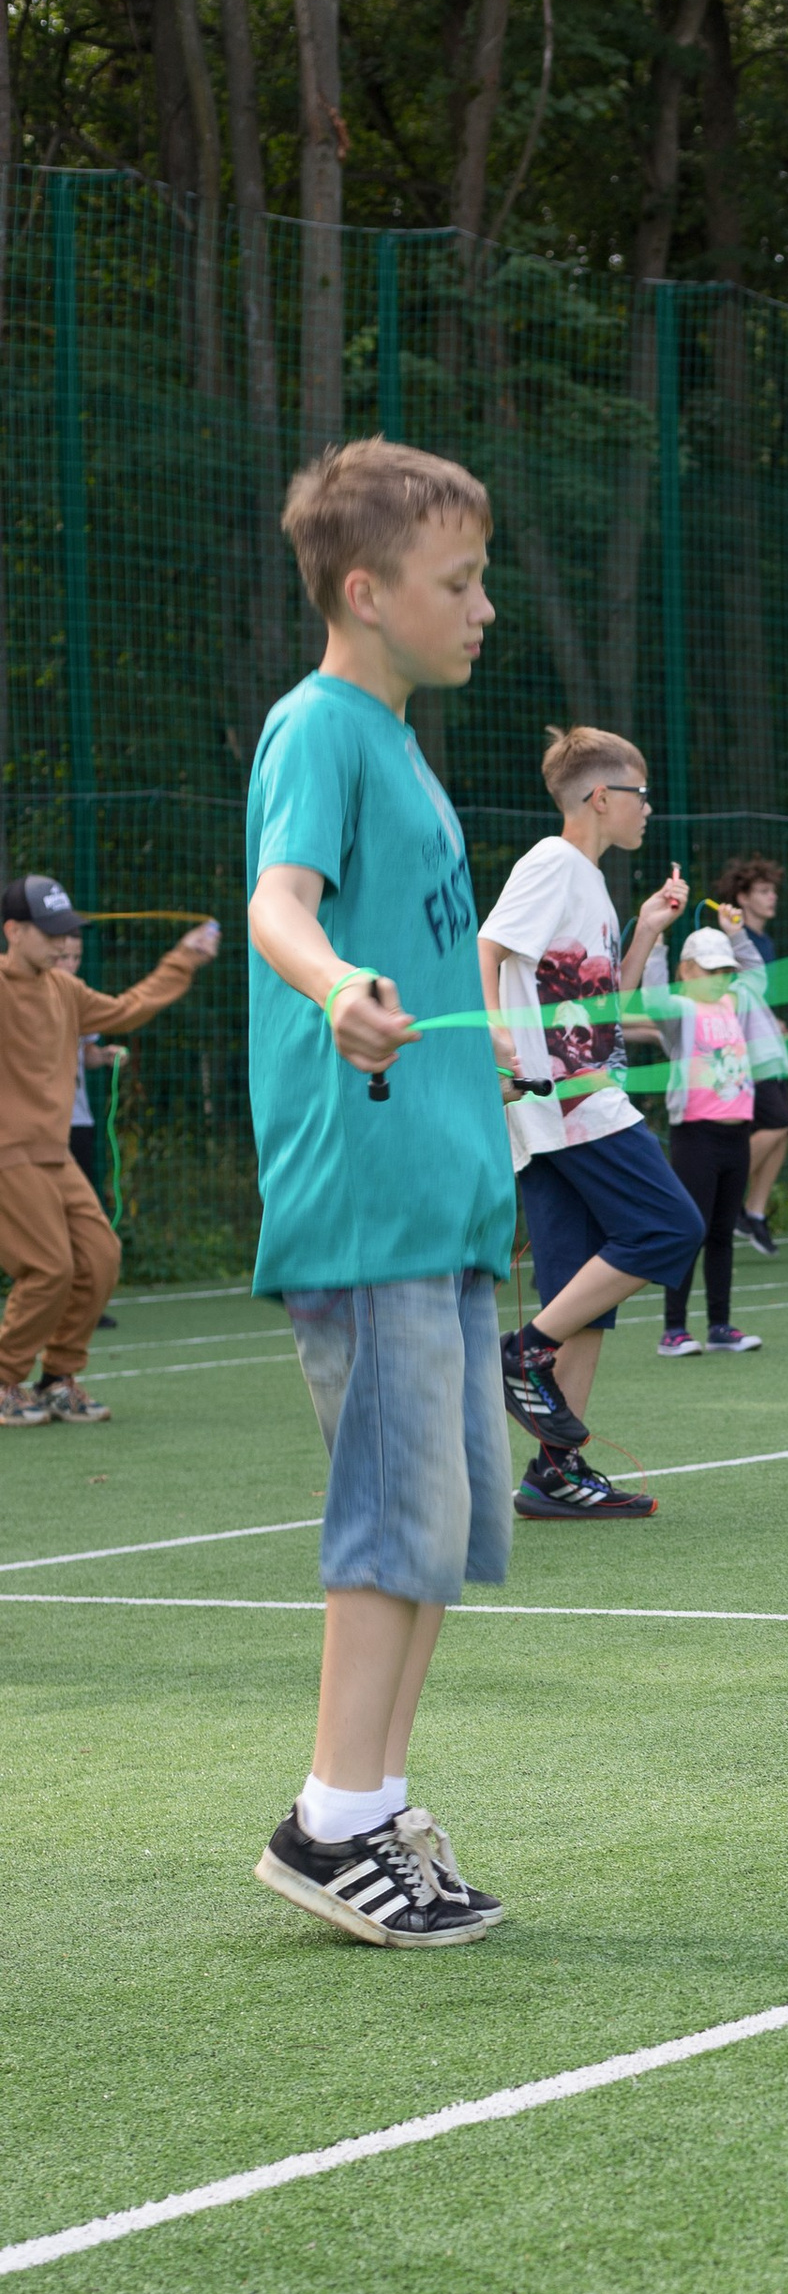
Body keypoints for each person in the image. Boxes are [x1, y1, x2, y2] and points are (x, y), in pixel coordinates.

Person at [242, 436, 513, 1943]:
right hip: (366, 1200)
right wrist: (337, 981)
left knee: (439, 1525)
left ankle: (375, 1801)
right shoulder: (322, 730)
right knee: (389, 1517)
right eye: (457, 582)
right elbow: (280, 901)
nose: (483, 609)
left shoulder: (404, 747)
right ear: (366, 590)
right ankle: (330, 1817)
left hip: (444, 1201)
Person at [477, 724, 697, 1522]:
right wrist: (497, 1035)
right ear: (602, 797)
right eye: (640, 795)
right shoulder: (552, 862)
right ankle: (522, 1353)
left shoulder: (592, 886)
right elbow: (490, 944)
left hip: (563, 1101)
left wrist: (644, 930)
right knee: (670, 1228)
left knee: (581, 1291)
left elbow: (608, 1009)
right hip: (568, 1100)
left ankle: (555, 1474)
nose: (648, 811)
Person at [0, 873, 206, 1425]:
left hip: (51, 1152)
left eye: (67, 930)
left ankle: (56, 1378)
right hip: (7, 1154)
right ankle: (2, 1379)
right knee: (48, 1267)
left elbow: (124, 1010)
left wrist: (181, 960)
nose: (64, 942)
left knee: (99, 1257)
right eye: (51, 932)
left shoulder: (64, 990)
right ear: (13, 931)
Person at [640, 923, 766, 1357]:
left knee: (721, 1234)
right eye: (710, 970)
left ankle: (720, 1325)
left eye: (725, 970)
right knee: (689, 1230)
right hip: (696, 1134)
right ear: (687, 971)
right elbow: (653, 999)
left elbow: (757, 978)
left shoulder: (735, 1003)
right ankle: (673, 1329)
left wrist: (738, 935)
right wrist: (656, 947)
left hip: (737, 1134)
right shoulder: (681, 1011)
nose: (720, 978)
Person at [711, 853, 788, 1253]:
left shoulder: (765, 943)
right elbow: (728, 996)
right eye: (763, 891)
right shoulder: (729, 941)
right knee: (777, 1122)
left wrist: (774, 1022)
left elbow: (756, 995)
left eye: (773, 890)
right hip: (741, 1056)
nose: (771, 897)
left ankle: (753, 1214)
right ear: (741, 898)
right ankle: (718, 1186)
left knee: (783, 1129)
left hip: (766, 1049)